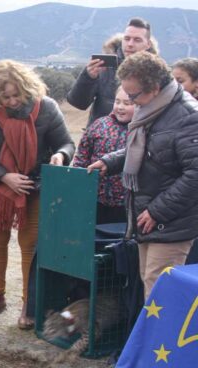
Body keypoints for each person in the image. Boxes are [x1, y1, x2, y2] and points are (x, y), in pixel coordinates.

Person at [0, 60, 75, 329]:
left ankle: (29, 304)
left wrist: (61, 155)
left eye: (17, 95)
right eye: (6, 97)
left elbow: (66, 142)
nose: (13, 101)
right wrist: (4, 176)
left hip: (35, 188)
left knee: (30, 246)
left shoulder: (47, 107)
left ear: (28, 89)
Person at [87, 52, 198, 299]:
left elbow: (195, 174)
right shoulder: (154, 108)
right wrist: (111, 161)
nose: (132, 103)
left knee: (161, 292)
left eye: (135, 96)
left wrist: (158, 210)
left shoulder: (188, 117)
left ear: (156, 87)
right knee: (150, 283)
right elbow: (145, 150)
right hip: (146, 215)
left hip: (170, 221)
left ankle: (162, 339)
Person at [67, 17, 155, 126]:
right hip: (102, 137)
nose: (130, 44)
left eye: (137, 40)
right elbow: (78, 103)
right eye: (127, 39)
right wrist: (88, 77)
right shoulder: (104, 67)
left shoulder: (156, 72)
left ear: (148, 44)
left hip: (141, 138)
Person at [73, 86, 134, 224]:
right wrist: (79, 181)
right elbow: (82, 156)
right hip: (95, 199)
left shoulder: (142, 130)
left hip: (127, 204)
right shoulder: (99, 125)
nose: (120, 107)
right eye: (117, 102)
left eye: (127, 103)